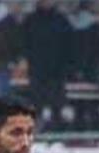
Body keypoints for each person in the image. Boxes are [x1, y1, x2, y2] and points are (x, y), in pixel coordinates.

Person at [22, 0, 73, 130]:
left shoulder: (61, 20)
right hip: (37, 68)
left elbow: (69, 42)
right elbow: (24, 41)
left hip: (57, 68)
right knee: (37, 101)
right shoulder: (30, 20)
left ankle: (58, 127)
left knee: (57, 101)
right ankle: (38, 128)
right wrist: (30, 57)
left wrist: (66, 64)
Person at [68, 0, 99, 131]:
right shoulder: (97, 27)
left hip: (73, 75)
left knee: (78, 109)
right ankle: (97, 134)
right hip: (93, 74)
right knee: (94, 107)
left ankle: (77, 135)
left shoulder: (68, 26)